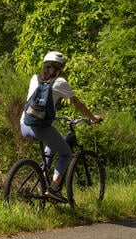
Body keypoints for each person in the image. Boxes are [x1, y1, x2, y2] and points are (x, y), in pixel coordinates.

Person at [19, 51, 102, 200]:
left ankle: (42, 179)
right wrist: (93, 118)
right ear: (60, 69)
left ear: (44, 65)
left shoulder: (34, 78)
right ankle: (54, 188)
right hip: (40, 128)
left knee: (52, 142)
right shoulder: (60, 82)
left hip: (24, 125)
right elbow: (77, 104)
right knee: (66, 153)